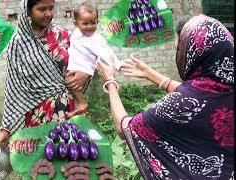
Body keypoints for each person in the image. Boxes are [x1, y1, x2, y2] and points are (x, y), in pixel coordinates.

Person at [97, 14, 234, 179]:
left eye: (179, 49)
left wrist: (110, 81)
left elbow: (125, 127)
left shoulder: (181, 102)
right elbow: (204, 95)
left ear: (192, 53)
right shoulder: (222, 85)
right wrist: (150, 74)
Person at [0, 0, 91, 150]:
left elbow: (90, 55)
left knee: (73, 159)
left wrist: (85, 72)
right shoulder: (18, 43)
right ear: (27, 11)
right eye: (41, 9)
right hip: (38, 115)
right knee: (43, 160)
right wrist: (5, 127)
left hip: (71, 109)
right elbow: (13, 87)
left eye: (51, 8)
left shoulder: (62, 34)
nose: (49, 13)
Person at [65, 3, 124, 118]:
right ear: (76, 24)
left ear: (97, 22)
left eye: (93, 22)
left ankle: (81, 103)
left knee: (69, 80)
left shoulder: (96, 39)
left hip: (85, 67)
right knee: (71, 84)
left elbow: (107, 52)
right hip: (75, 65)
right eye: (85, 23)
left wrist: (117, 64)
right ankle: (79, 106)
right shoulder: (75, 33)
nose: (89, 26)